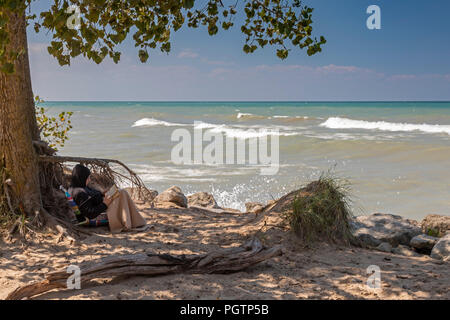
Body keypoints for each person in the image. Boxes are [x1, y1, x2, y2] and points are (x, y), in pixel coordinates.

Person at [69, 164, 146, 233]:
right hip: (96, 216)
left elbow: (90, 198)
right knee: (122, 194)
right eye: (88, 178)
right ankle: (134, 222)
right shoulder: (79, 193)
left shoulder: (76, 187)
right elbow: (90, 213)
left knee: (121, 193)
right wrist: (105, 204)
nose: (89, 180)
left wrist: (102, 194)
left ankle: (132, 221)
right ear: (82, 177)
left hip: (101, 206)